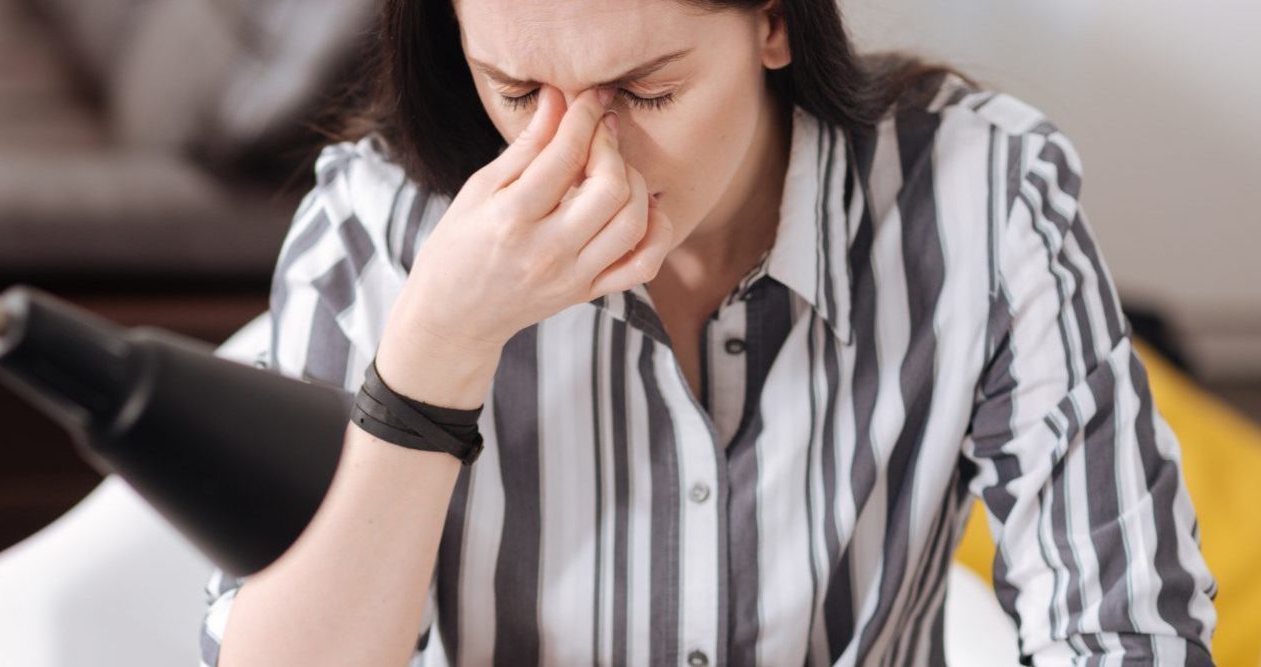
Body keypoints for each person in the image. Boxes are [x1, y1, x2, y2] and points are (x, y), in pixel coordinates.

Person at [199, 0, 1218, 665]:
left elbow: (1127, 629)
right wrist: (432, 362)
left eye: (645, 92)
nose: (578, 162)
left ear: (772, 23)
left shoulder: (980, 200)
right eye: (515, 93)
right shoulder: (374, 227)